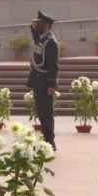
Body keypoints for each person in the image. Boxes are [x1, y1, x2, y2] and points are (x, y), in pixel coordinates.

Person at [27, 11, 59, 150]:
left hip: (45, 80)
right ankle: (46, 140)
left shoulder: (50, 42)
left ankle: (49, 142)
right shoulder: (42, 39)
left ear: (46, 25)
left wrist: (51, 84)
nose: (36, 25)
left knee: (46, 113)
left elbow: (53, 65)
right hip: (38, 79)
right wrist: (32, 28)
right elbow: (37, 43)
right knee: (41, 112)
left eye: (39, 24)